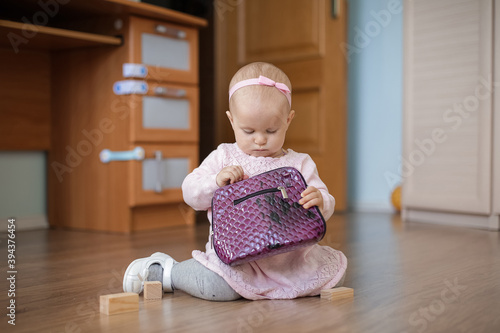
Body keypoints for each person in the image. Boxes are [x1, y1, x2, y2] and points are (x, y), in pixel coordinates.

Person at [123, 62, 347, 301]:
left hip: (291, 259)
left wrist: (321, 200)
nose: (260, 140)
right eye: (249, 131)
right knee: (215, 287)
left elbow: (323, 199)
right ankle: (167, 271)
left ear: (289, 120)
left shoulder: (300, 163)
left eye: (271, 130)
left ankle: (284, 281)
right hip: (238, 259)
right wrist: (215, 183)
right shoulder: (224, 156)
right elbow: (190, 193)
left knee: (335, 276)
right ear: (232, 121)